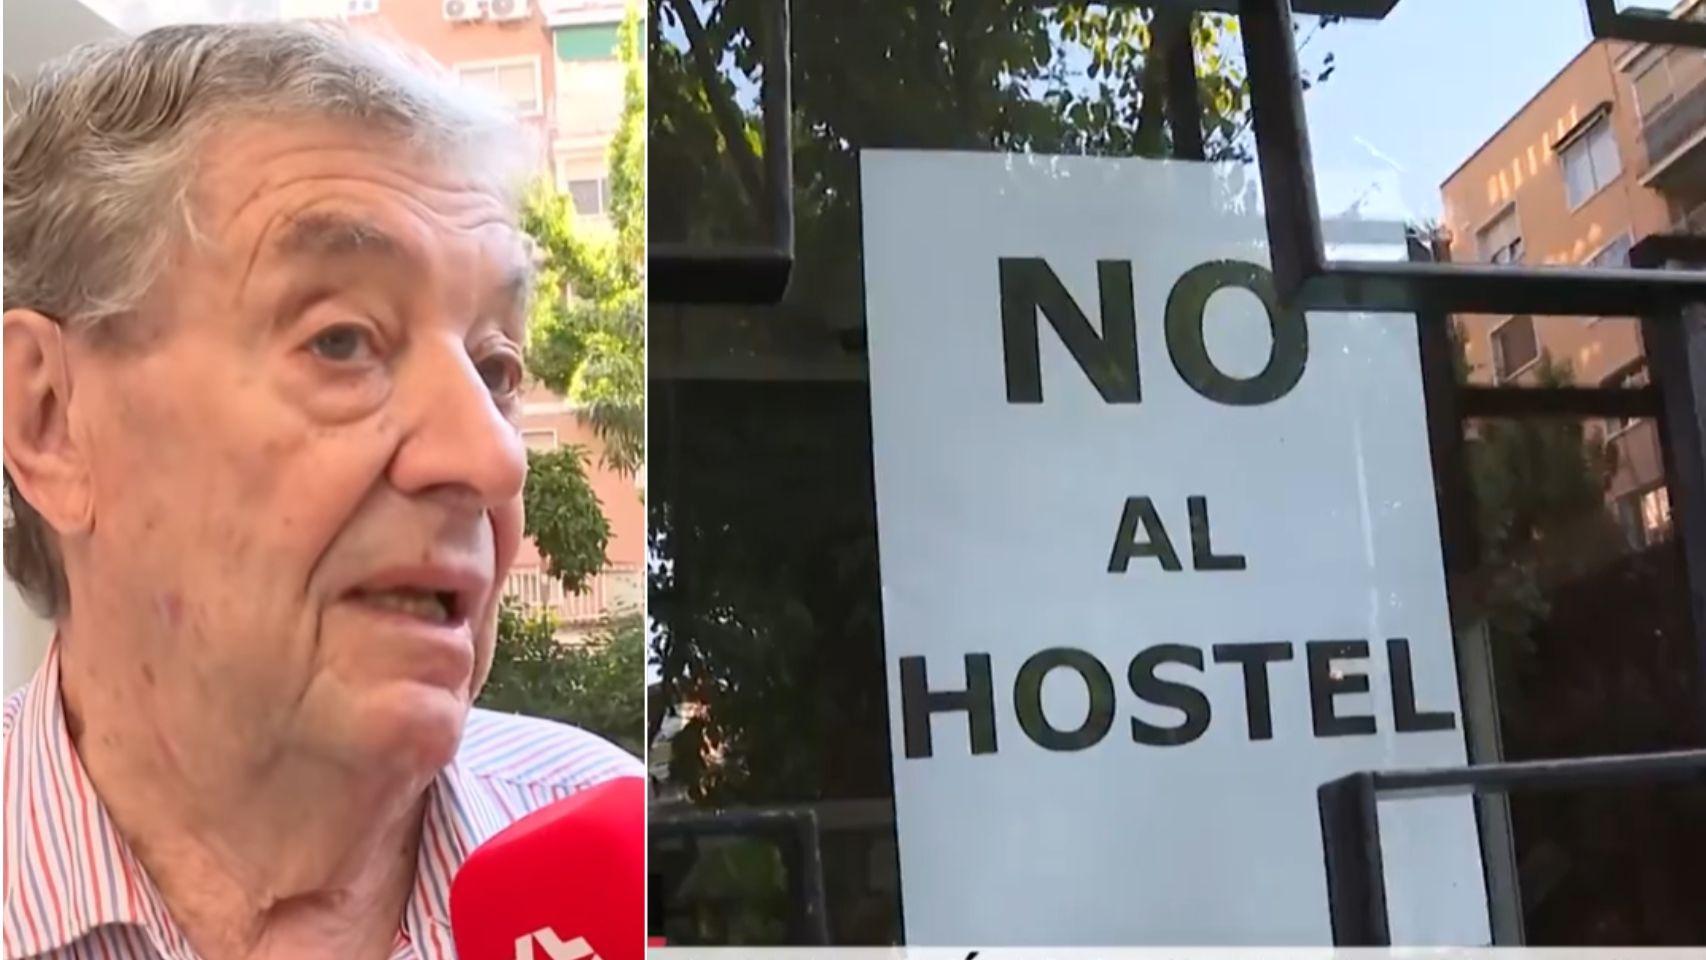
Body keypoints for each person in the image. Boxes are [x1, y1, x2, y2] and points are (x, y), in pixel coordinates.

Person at [2, 22, 639, 959]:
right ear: (51, 420)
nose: (494, 459)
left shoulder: (629, 874)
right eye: (342, 341)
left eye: (496, 369)